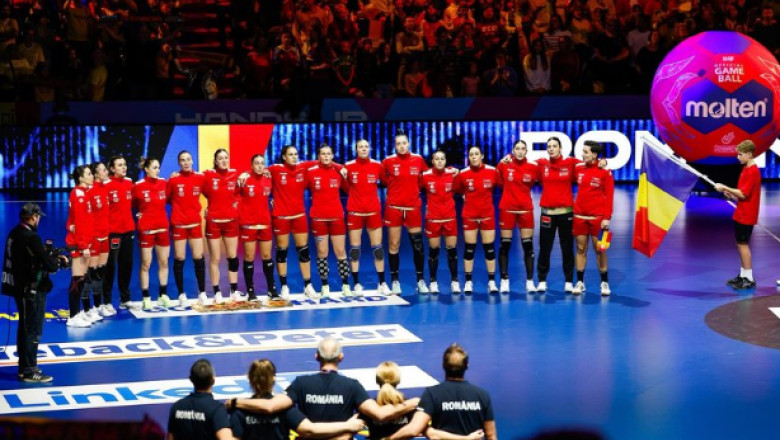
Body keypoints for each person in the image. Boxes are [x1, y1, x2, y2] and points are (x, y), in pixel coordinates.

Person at [231, 337, 418, 425]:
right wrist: (414, 403)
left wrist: (235, 402)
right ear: (341, 357)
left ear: (316, 357)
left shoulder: (301, 383)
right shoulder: (352, 386)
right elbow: (380, 414)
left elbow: (270, 407)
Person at [2, 203, 67, 383]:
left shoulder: (14, 233)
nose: (38, 220)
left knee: (25, 328)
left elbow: (27, 258)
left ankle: (24, 368)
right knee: (33, 330)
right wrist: (59, 261)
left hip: (19, 288)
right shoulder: (31, 237)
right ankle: (30, 370)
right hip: (31, 290)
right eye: (38, 217)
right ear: (33, 217)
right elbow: (50, 265)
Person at [229, 359, 364, 439]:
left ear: (250, 379)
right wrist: (348, 425)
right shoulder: (285, 409)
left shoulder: (239, 411)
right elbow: (311, 429)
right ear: (274, 379)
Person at [388, 343, 496, 440]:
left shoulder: (432, 394)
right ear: (466, 366)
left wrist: (389, 439)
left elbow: (413, 429)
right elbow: (491, 436)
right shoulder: (482, 395)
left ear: (443, 365)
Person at [382, 130, 429, 294]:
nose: (401, 146)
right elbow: (383, 179)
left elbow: (426, 178)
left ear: (408, 143)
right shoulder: (387, 161)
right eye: (398, 144)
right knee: (394, 245)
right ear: (395, 146)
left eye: (404, 143)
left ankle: (420, 281)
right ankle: (395, 281)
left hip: (413, 208)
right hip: (393, 208)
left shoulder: (418, 159)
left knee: (418, 246)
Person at [343, 139, 392, 296]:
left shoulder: (377, 166)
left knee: (378, 250)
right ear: (356, 149)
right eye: (360, 147)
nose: (364, 149)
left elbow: (388, 181)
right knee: (355, 251)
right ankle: (356, 284)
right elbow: (344, 186)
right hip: (355, 213)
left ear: (369, 149)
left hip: (373, 213)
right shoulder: (348, 166)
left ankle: (382, 283)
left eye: (366, 146)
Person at [267, 145, 317, 299]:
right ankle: (284, 286)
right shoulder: (275, 169)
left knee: (304, 251)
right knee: (282, 252)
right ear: (284, 157)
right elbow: (258, 170)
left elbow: (322, 161)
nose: (294, 157)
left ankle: (308, 285)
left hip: (299, 216)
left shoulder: (303, 167)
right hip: (281, 217)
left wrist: (340, 167)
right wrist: (244, 174)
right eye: (290, 154)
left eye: (296, 154)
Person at [714, 140, 761, 290]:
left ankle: (749, 279)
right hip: (741, 212)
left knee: (743, 245)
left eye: (740, 154)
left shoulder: (752, 171)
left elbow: (744, 194)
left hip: (747, 215)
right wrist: (732, 195)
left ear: (749, 154)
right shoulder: (746, 169)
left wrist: (725, 188)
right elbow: (742, 194)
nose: (738, 157)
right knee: (740, 244)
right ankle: (743, 275)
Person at [306, 143, 351, 297]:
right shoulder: (311, 172)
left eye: (328, 153)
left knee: (340, 251)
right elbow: (297, 187)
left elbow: (348, 189)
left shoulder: (339, 171)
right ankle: (325, 285)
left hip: (336, 218)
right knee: (322, 252)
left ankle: (346, 285)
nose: (326, 156)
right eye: (323, 154)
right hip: (318, 219)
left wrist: (344, 174)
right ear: (319, 156)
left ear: (332, 156)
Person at [454, 146, 500, 294]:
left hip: (487, 215)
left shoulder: (492, 171)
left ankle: (492, 282)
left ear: (482, 156)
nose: (474, 156)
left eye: (476, 154)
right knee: (469, 249)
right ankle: (468, 282)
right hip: (469, 216)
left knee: (489, 249)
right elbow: (456, 189)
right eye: (471, 154)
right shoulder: (463, 174)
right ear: (468, 157)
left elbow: (503, 183)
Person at [535, 136, 578, 293]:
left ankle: (568, 281)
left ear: (560, 148)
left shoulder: (571, 163)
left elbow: (589, 164)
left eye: (554, 146)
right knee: (544, 248)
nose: (551, 148)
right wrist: (508, 158)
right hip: (547, 213)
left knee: (567, 248)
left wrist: (603, 162)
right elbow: (522, 162)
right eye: (549, 146)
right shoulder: (541, 164)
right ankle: (542, 280)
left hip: (566, 214)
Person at [572, 141, 614, 296]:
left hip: (598, 219)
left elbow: (609, 196)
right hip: (579, 217)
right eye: (583, 151)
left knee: (601, 250)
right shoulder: (578, 168)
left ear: (594, 154)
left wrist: (607, 217)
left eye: (586, 152)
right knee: (580, 249)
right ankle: (580, 282)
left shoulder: (605, 172)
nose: (582, 154)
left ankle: (604, 283)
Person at [496, 140, 538, 293]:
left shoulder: (533, 167)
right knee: (505, 245)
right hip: (507, 209)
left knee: (528, 246)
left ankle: (529, 281)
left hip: (525, 210)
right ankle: (504, 280)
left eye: (523, 149)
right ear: (513, 150)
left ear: (526, 151)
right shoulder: (504, 164)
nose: (520, 151)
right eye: (517, 148)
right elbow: (498, 181)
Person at [202, 149, 243, 304]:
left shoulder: (235, 174)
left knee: (232, 257)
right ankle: (217, 292)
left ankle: (234, 291)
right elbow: (194, 181)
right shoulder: (207, 175)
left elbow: (240, 191)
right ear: (215, 161)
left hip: (231, 222)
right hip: (214, 222)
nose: (224, 160)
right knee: (215, 258)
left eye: (226, 158)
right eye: (220, 158)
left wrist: (246, 175)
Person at [167, 150, 207, 306]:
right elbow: (166, 198)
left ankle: (202, 293)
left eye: (188, 159)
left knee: (198, 257)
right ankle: (181, 294)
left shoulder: (200, 178)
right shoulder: (173, 180)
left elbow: (213, 191)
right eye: (183, 160)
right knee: (179, 258)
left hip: (195, 224)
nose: (186, 162)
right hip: (179, 224)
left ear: (192, 161)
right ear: (179, 163)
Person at [132, 157, 171, 310]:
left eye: (158, 167)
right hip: (147, 229)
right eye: (154, 167)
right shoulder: (138, 186)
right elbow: (133, 203)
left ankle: (163, 295)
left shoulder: (163, 183)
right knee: (146, 264)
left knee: (164, 262)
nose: (158, 170)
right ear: (146, 169)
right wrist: (140, 213)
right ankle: (146, 297)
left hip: (162, 228)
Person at [420, 150, 461, 294]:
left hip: (450, 218)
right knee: (434, 251)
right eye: (437, 159)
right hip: (433, 219)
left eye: (442, 159)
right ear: (432, 161)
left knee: (452, 251)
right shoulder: (425, 176)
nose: (439, 161)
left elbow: (459, 189)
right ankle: (433, 282)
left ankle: (455, 281)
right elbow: (414, 189)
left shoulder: (452, 174)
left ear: (446, 161)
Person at [238, 154, 277, 301]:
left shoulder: (269, 177)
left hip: (265, 223)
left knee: (267, 256)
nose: (260, 166)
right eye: (256, 163)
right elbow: (233, 194)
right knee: (249, 257)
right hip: (248, 224)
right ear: (251, 165)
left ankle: (272, 290)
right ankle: (250, 291)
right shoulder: (244, 178)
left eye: (262, 163)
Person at [167, 359, 232, 440]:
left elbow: (170, 438)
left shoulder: (177, 407)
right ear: (213, 381)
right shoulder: (216, 409)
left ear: (191, 380)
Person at [65, 165, 97, 327]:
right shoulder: (78, 195)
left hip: (85, 242)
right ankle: (73, 316)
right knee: (77, 279)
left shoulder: (85, 193)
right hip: (78, 244)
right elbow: (79, 222)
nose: (92, 176)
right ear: (81, 178)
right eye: (89, 174)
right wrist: (83, 245)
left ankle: (79, 312)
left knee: (82, 277)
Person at [104, 155, 136, 310]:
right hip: (113, 233)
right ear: (112, 168)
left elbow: (137, 200)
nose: (124, 167)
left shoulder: (129, 183)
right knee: (110, 266)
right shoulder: (106, 185)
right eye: (120, 165)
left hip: (128, 230)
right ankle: (107, 301)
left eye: (125, 164)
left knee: (127, 265)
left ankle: (125, 299)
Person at [87, 162, 115, 317]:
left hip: (105, 236)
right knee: (91, 273)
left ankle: (99, 305)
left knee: (100, 272)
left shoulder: (106, 188)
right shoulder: (90, 191)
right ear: (96, 174)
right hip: (94, 237)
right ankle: (88, 307)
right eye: (104, 170)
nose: (107, 172)